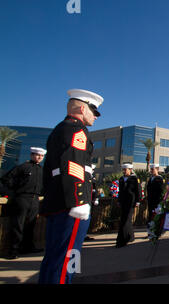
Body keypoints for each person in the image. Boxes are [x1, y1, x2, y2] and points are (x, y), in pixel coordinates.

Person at [38, 88, 104, 284]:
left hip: (58, 201)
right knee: (68, 259)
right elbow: (73, 164)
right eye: (94, 111)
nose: (96, 117)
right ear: (83, 108)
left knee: (53, 258)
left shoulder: (60, 129)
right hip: (72, 206)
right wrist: (79, 201)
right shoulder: (77, 130)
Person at [1, 147, 46, 259]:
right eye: (37, 155)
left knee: (31, 224)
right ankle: (13, 250)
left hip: (35, 199)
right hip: (22, 198)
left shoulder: (42, 170)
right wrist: (12, 192)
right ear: (31, 155)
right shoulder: (22, 167)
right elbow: (5, 180)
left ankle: (28, 247)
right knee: (18, 225)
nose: (39, 157)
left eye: (41, 156)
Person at [116, 163, 142, 248]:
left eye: (125, 169)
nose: (124, 171)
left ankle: (122, 240)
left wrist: (138, 201)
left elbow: (138, 190)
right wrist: (119, 201)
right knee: (125, 219)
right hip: (123, 202)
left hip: (131, 202)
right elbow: (120, 191)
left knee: (126, 220)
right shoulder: (121, 179)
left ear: (130, 170)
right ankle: (130, 236)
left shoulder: (134, 179)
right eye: (123, 169)